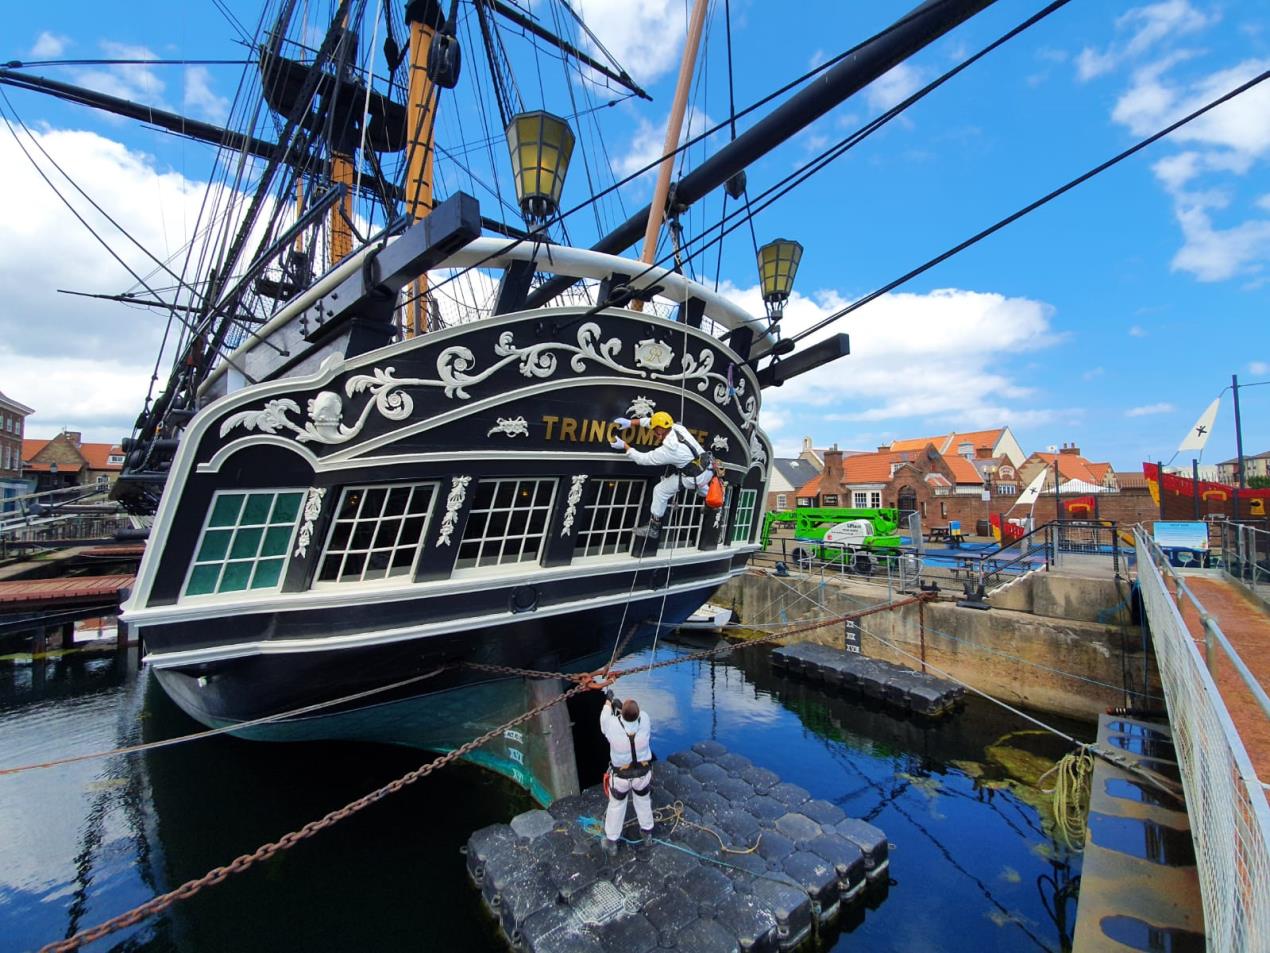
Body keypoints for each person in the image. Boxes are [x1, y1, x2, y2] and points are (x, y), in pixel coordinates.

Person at [609, 410, 712, 538]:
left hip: (693, 478)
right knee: (701, 485)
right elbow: (651, 422)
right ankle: (713, 503)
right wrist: (630, 422)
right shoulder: (678, 428)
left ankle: (654, 527)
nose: (653, 433)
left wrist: (624, 446)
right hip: (707, 469)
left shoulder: (670, 449)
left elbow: (643, 459)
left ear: (660, 431)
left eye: (654, 431)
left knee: (660, 490)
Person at [599, 688, 653, 855]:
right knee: (643, 802)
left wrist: (609, 700)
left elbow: (603, 719)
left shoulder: (612, 726)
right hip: (642, 775)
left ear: (621, 714)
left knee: (616, 806)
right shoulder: (645, 720)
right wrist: (624, 708)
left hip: (621, 777)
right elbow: (635, 715)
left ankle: (612, 842)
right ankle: (647, 833)